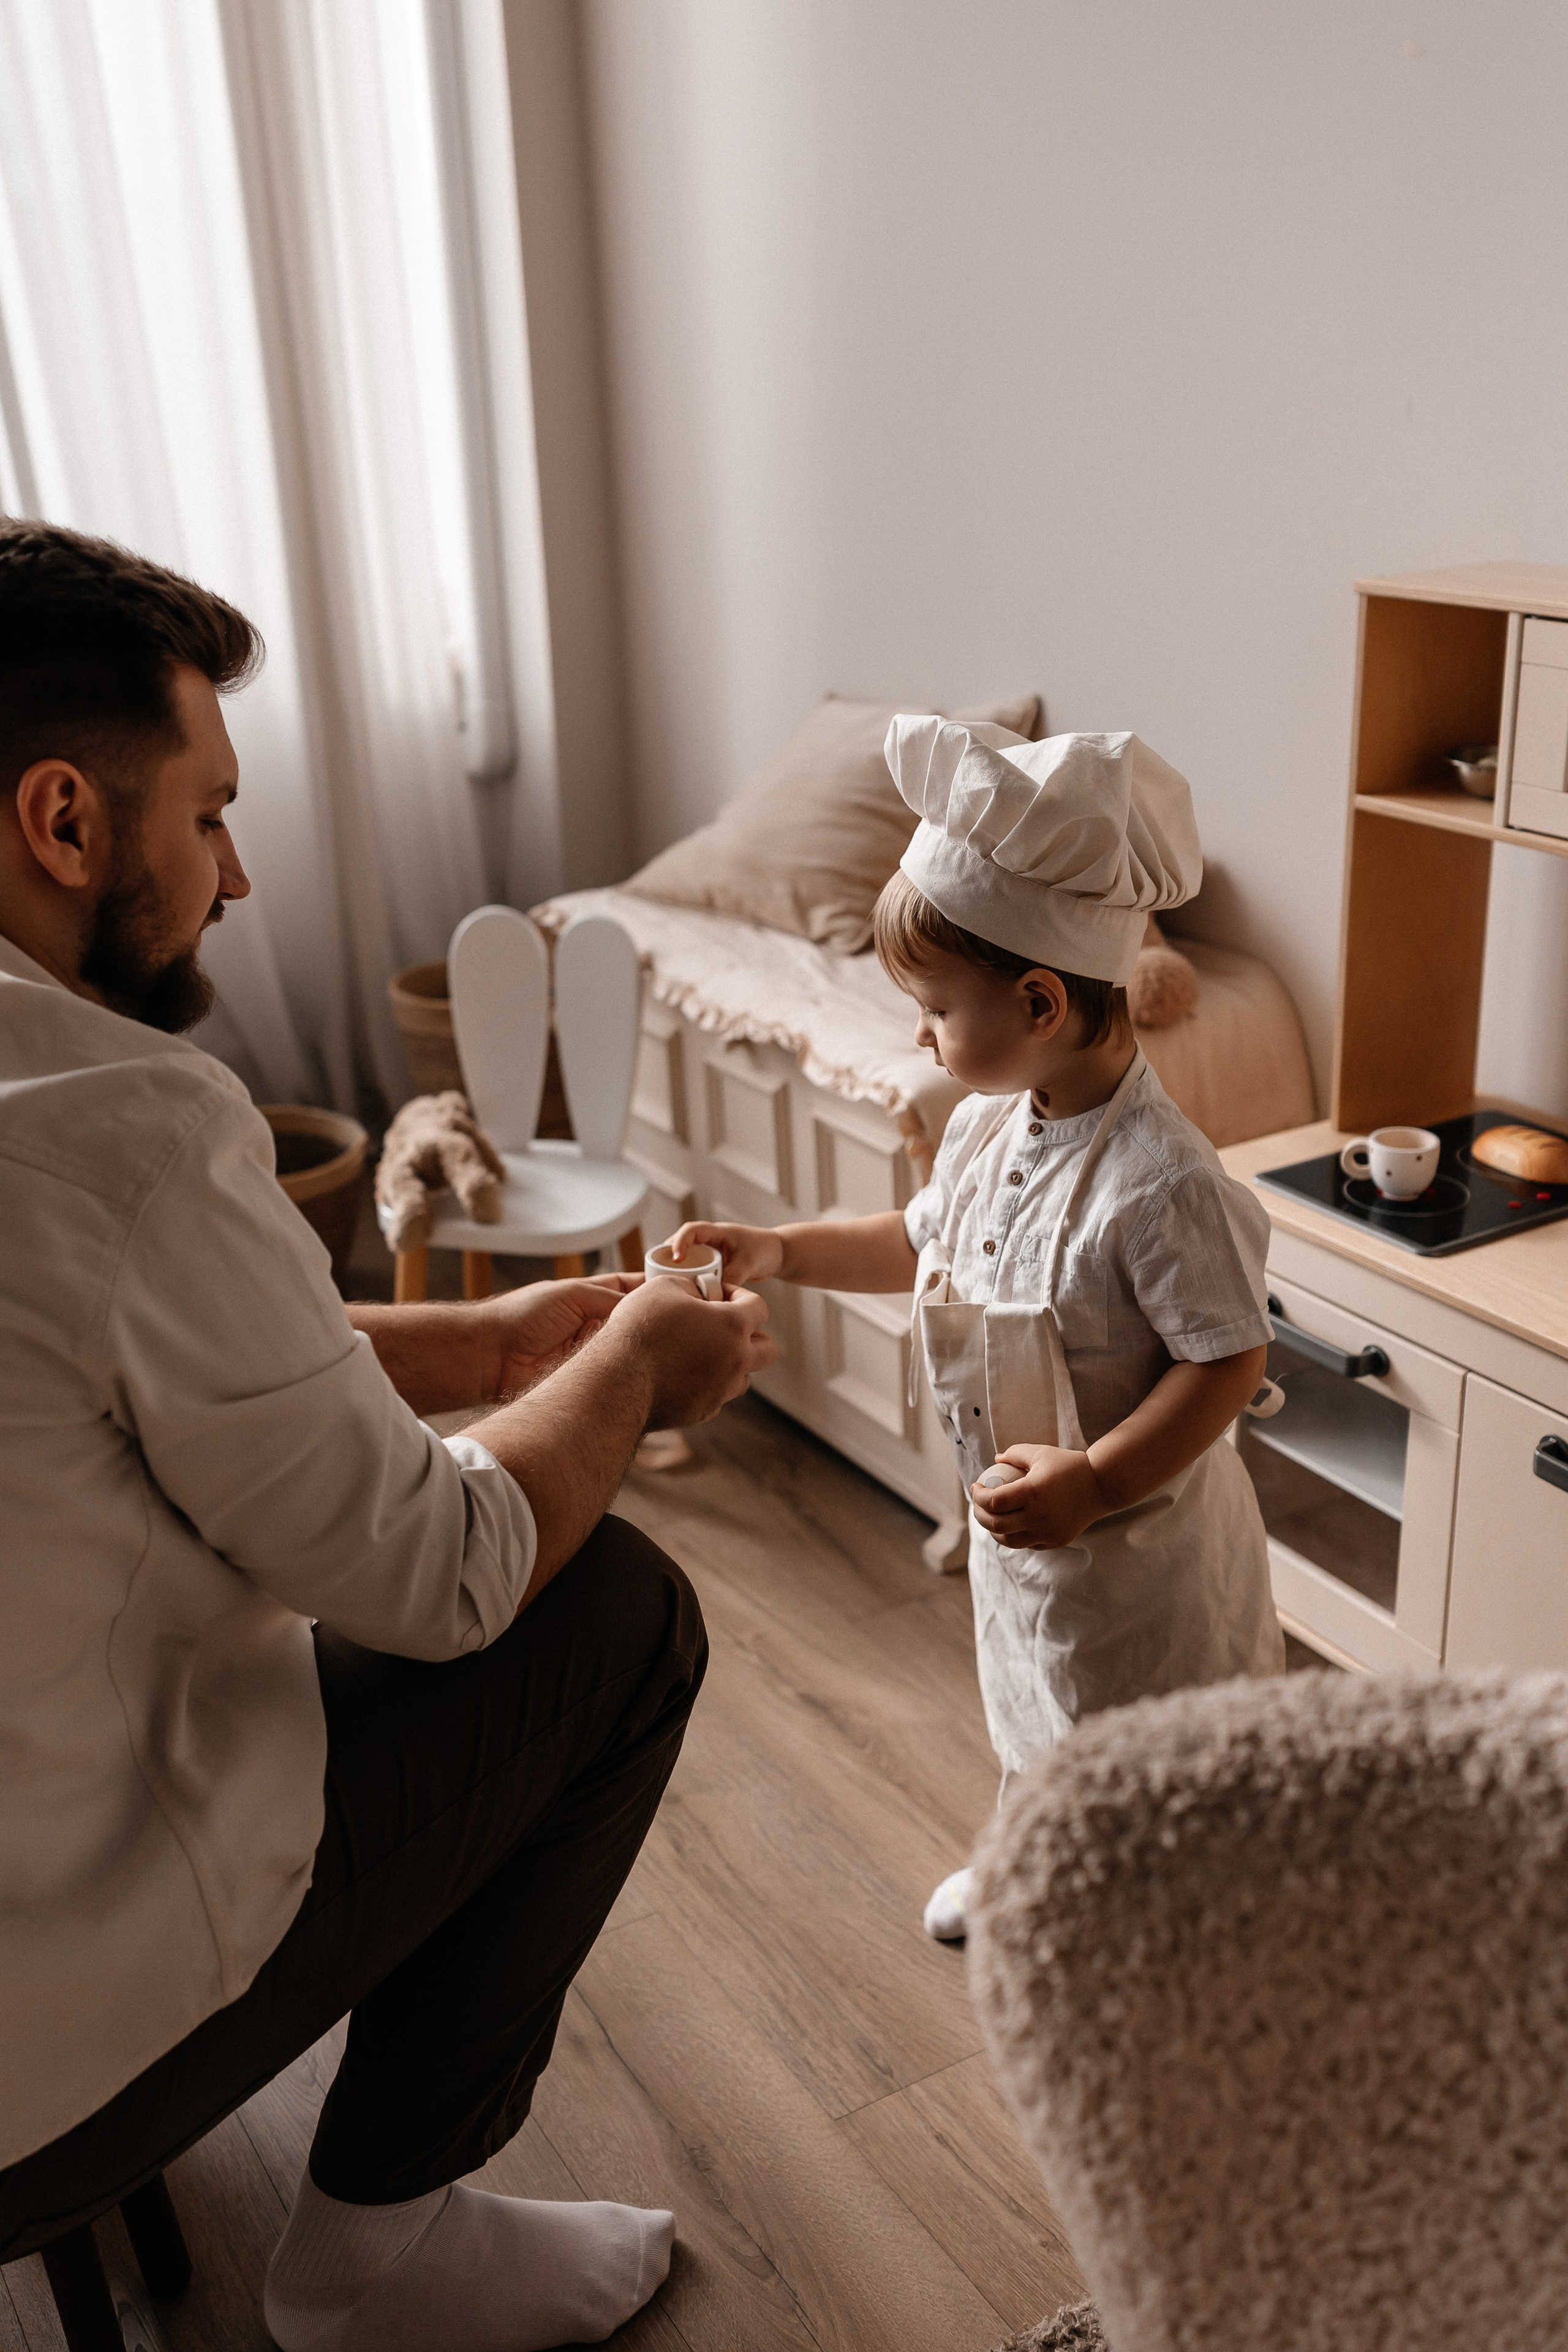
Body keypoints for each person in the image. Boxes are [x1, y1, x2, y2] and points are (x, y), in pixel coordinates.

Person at [0, 520, 776, 2352]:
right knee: (616, 1616)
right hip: (37, 2032)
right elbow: (442, 1580)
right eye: (209, 813)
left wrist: (491, 1335)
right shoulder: (122, 1120)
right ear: (62, 821)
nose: (241, 872)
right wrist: (640, 1364)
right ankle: (377, 2250)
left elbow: (129, 1357)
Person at [668, 715, 1283, 1944]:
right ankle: (1031, 1854)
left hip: (1136, 1547)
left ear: (1041, 1001)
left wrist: (1099, 1479)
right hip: (1027, 1526)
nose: (918, 1036)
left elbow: (1229, 1361)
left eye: (934, 1010)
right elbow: (920, 1240)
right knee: (1030, 1702)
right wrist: (783, 1251)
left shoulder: (1161, 1186)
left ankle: (1162, 1922)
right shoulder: (984, 1122)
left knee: (1139, 1744)